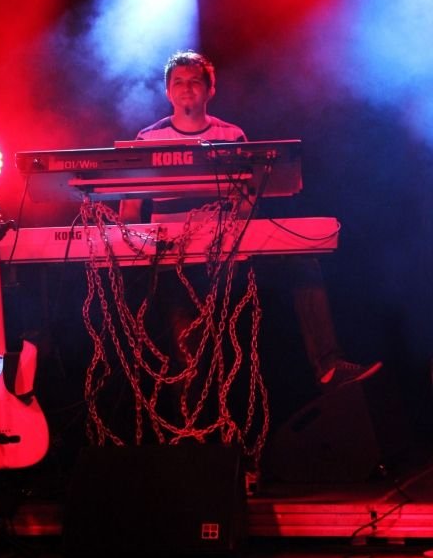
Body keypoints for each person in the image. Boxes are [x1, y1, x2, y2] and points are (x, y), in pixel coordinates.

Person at [130, 49, 382, 391]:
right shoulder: (148, 139)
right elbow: (129, 207)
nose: (187, 88)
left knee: (302, 263)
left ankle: (329, 365)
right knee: (188, 355)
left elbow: (246, 202)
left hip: (227, 255)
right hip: (175, 260)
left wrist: (232, 237)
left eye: (195, 81)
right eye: (178, 82)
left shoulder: (231, 136)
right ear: (167, 91)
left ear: (210, 89)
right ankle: (190, 421)